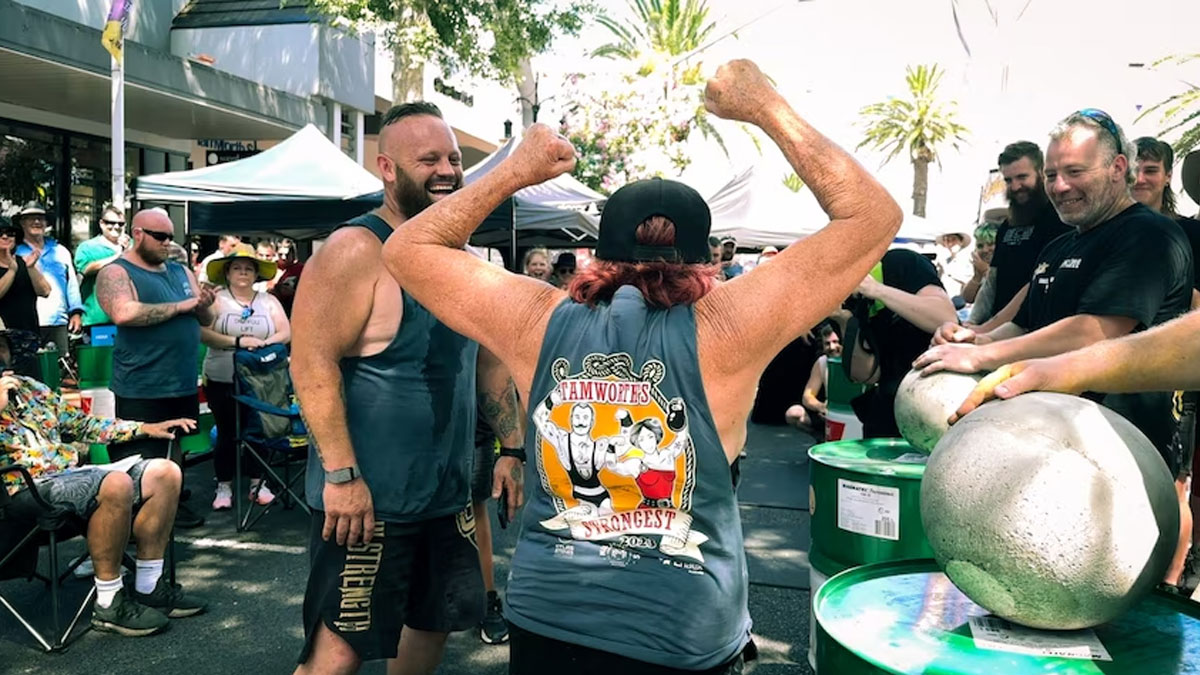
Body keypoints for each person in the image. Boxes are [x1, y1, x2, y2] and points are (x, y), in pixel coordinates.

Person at [380, 59, 902, 673]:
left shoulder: (537, 319)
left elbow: (408, 247)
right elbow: (872, 215)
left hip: (549, 621)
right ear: (704, 260)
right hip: (681, 635)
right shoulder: (730, 323)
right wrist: (765, 106)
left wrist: (516, 171)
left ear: (601, 253)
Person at [290, 101, 525, 675]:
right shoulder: (354, 249)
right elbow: (311, 364)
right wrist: (342, 477)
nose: (447, 170)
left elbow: (488, 360)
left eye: (453, 158)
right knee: (335, 656)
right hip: (371, 504)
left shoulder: (461, 258)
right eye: (429, 159)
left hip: (447, 498)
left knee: (433, 626)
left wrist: (513, 448)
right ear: (387, 168)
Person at [917, 108, 1194, 590]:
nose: (1060, 186)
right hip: (1044, 451)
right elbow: (1024, 323)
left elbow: (1097, 330)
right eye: (1052, 175)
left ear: (1118, 168)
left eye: (1075, 171)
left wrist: (982, 356)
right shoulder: (1058, 247)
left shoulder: (1149, 235)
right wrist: (974, 339)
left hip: (1116, 460)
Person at [0, 317, 205, 636]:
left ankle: (149, 587)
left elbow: (82, 425)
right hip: (20, 492)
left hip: (66, 477)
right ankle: (109, 603)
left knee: (165, 473)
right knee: (114, 483)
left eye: (1, 347)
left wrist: (144, 428)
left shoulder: (31, 389)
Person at [96, 208, 216, 529]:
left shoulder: (180, 271)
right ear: (138, 234)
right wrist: (182, 306)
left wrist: (203, 306)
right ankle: (138, 515)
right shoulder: (116, 272)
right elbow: (124, 312)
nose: (167, 243)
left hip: (181, 379)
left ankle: (170, 504)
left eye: (170, 237)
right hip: (142, 382)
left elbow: (206, 319)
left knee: (175, 444)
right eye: (160, 236)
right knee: (140, 453)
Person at [200, 249, 291, 512]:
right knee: (227, 431)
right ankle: (224, 486)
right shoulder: (218, 300)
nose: (243, 273)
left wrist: (264, 344)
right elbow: (203, 334)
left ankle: (257, 484)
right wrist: (238, 342)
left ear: (256, 275)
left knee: (258, 430)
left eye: (249, 269)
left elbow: (286, 331)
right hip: (222, 377)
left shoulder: (268, 301)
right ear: (227, 273)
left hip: (261, 378)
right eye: (237, 268)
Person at [842, 247, 957, 437]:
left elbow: (945, 318)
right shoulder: (843, 296)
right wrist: (844, 322)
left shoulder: (900, 262)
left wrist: (876, 290)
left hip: (935, 400)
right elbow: (866, 375)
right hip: (888, 406)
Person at [969, 142, 1071, 327]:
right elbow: (992, 281)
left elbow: (1036, 282)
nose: (1015, 186)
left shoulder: (1059, 221)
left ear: (1041, 173)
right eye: (1008, 180)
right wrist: (972, 322)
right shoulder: (1007, 225)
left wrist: (987, 329)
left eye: (1022, 177)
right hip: (996, 330)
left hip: (1032, 328)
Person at [13, 202, 84, 352]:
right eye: (31, 218)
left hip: (58, 321)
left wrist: (76, 313)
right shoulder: (14, 252)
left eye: (41, 218)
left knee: (60, 363)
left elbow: (72, 285)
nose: (36, 222)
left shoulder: (61, 251)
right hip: (25, 322)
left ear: (46, 223)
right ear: (22, 223)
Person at [0, 216, 50, 376]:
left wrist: (31, 268)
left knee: (31, 383)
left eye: (10, 233)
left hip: (28, 335)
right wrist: (12, 271)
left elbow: (45, 291)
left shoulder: (24, 261)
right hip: (3, 339)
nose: (5, 237)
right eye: (0, 233)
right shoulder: (14, 267)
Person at [74, 204, 131, 338]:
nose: (116, 227)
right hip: (97, 318)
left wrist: (131, 252)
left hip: (127, 319)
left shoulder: (132, 246)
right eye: (110, 223)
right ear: (101, 223)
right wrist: (118, 256)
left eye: (120, 224)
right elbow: (86, 269)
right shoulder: (88, 247)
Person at [785, 324, 841, 438]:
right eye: (827, 343)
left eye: (835, 342)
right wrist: (821, 407)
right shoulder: (822, 362)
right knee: (793, 413)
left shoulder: (856, 361)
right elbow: (807, 397)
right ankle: (821, 438)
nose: (832, 347)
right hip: (829, 412)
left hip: (852, 413)